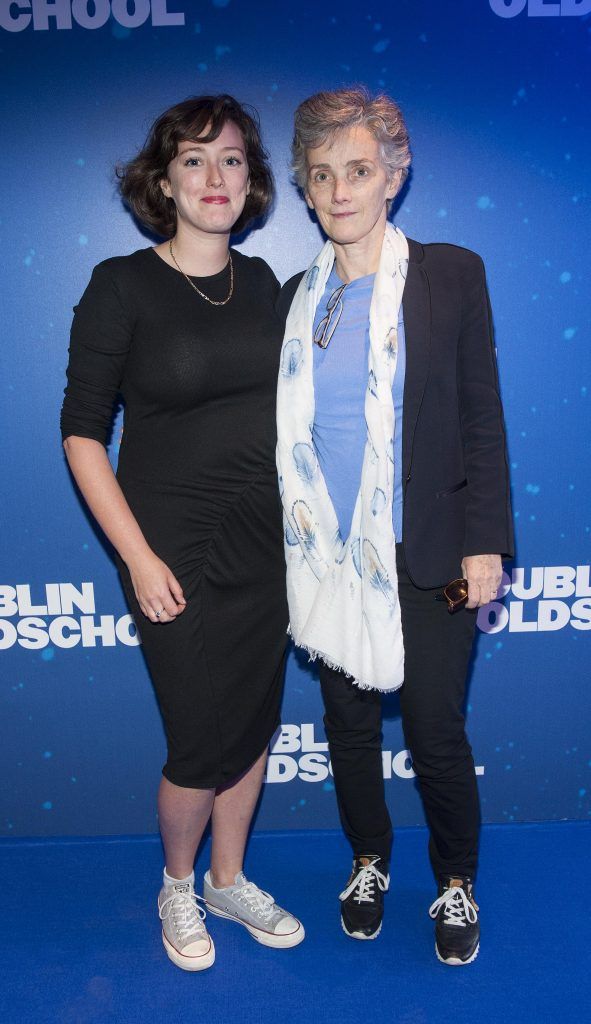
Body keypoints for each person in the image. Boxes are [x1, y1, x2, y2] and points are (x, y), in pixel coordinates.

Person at [61, 94, 304, 972]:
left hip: (264, 543)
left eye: (232, 159)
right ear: (163, 178)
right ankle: (177, 882)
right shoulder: (120, 284)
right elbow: (83, 434)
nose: (215, 177)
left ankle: (228, 879)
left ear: (251, 180)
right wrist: (138, 555)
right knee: (202, 737)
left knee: (252, 724)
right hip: (170, 548)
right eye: (195, 160)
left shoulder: (267, 282)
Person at [276, 87, 513, 966]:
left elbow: (481, 418)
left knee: (435, 730)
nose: (341, 190)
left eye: (360, 171)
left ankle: (455, 879)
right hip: (326, 560)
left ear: (395, 176)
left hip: (430, 550)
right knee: (346, 728)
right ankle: (367, 860)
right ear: (306, 187)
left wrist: (485, 539)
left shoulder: (452, 274)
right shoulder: (291, 301)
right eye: (323, 174)